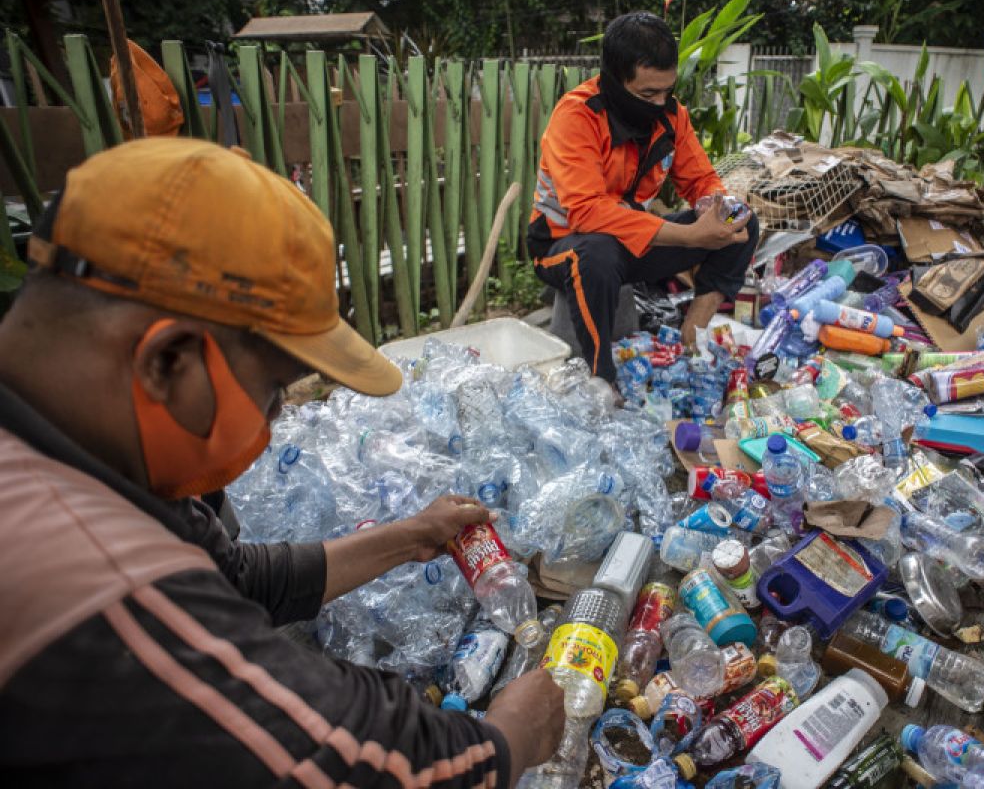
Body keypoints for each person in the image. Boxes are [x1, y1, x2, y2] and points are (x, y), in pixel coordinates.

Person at [0, 138, 564, 787]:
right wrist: (504, 742)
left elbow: (231, 581)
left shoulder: (67, 447)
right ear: (168, 362)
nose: (273, 423)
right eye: (274, 389)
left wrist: (408, 538)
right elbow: (330, 754)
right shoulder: (86, 575)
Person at [528, 11, 759, 383]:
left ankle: (693, 330)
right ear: (615, 82)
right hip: (561, 246)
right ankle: (601, 380)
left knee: (741, 217)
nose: (659, 104)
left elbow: (702, 180)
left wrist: (713, 208)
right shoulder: (577, 116)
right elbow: (587, 214)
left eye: (667, 91)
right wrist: (690, 236)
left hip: (631, 242)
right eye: (648, 93)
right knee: (596, 255)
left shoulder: (671, 116)